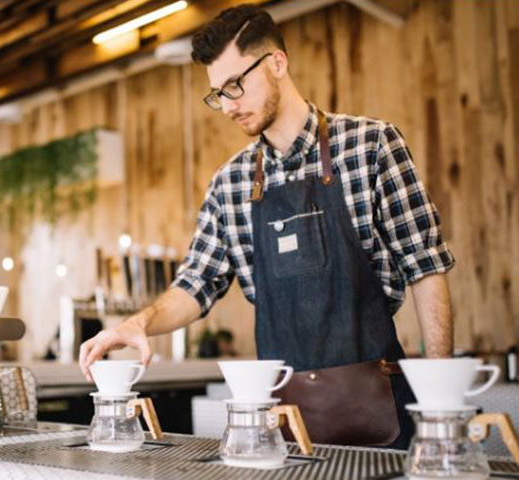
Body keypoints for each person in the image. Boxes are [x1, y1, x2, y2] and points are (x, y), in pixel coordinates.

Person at [79, 5, 454, 449]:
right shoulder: (230, 184)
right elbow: (195, 284)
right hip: (282, 426)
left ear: (278, 62)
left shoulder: (370, 147)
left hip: (380, 412)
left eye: (236, 85)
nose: (228, 106)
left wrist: (440, 404)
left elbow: (426, 269)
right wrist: (137, 323)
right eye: (218, 94)